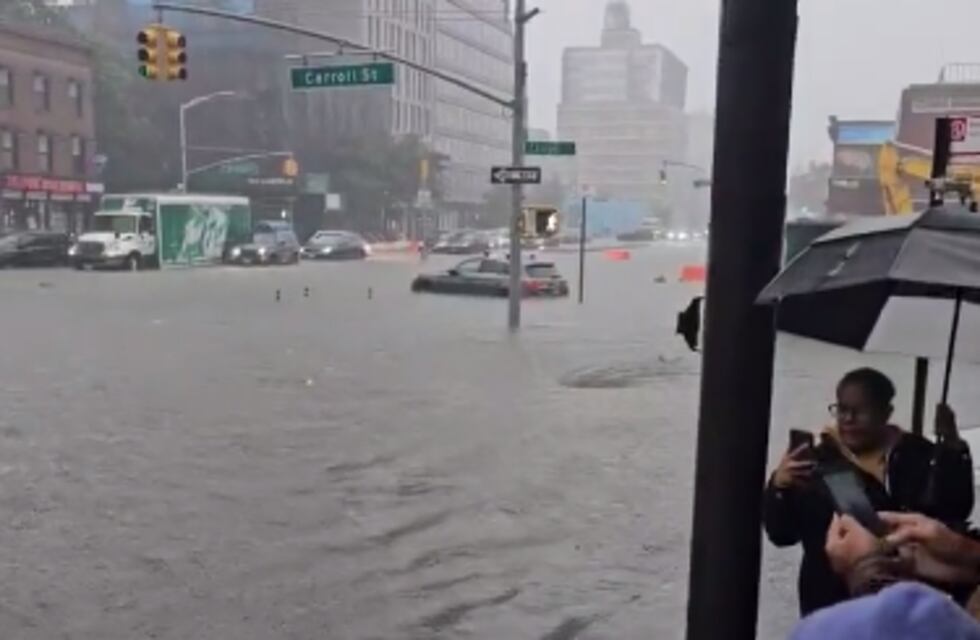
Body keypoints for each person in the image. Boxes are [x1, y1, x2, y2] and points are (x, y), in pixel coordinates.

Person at [763, 367, 974, 616]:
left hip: (910, 602)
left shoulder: (919, 453)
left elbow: (955, 509)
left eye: (859, 411)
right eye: (841, 409)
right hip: (833, 606)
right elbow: (782, 534)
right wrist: (779, 486)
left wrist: (952, 450)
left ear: (885, 412)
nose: (848, 419)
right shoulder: (816, 464)